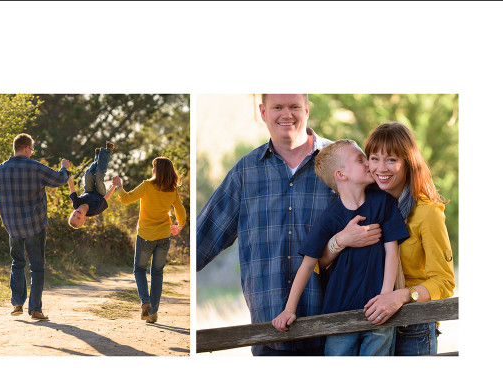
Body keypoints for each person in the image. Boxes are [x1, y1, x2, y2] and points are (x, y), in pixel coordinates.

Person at [195, 94, 358, 355]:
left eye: (294, 106)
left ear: (307, 109)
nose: (287, 114)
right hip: (269, 334)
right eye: (277, 107)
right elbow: (202, 238)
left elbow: (375, 217)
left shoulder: (342, 162)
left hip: (333, 330)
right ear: (263, 112)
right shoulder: (246, 172)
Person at [322, 122, 455, 355]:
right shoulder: (359, 205)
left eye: (391, 160)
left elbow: (444, 283)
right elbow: (319, 264)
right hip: (362, 322)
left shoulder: (428, 212)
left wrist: (401, 296)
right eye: (374, 158)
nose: (381, 168)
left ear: (407, 163)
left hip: (411, 326)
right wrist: (340, 240)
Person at [272, 140, 408, 355]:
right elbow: (307, 265)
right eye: (360, 159)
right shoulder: (329, 217)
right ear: (341, 175)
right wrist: (289, 309)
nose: (368, 163)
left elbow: (392, 252)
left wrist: (385, 296)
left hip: (379, 312)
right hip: (338, 315)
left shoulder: (383, 202)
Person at [0, 133, 71, 321]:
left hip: (13, 227)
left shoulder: (1, 170)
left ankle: (17, 303)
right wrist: (64, 168)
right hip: (35, 225)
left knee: (17, 263)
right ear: (26, 148)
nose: (32, 153)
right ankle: (35, 310)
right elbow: (59, 180)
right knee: (37, 267)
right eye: (32, 149)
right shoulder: (35, 167)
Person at [112, 157, 186, 323]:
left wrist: (120, 186)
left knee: (139, 269)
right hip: (164, 237)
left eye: (154, 168)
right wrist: (179, 226)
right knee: (157, 273)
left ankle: (145, 301)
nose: (152, 170)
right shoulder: (172, 190)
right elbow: (180, 210)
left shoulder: (146, 186)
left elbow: (125, 199)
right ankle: (153, 313)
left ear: (158, 171)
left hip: (145, 236)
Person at [67, 142, 118, 228]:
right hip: (100, 193)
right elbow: (106, 198)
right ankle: (108, 151)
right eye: (78, 218)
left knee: (88, 174)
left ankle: (98, 157)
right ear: (84, 219)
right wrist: (114, 186)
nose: (77, 215)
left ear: (72, 213)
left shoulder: (76, 204)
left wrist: (67, 175)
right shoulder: (94, 210)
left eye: (73, 215)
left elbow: (72, 188)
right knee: (99, 175)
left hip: (89, 190)